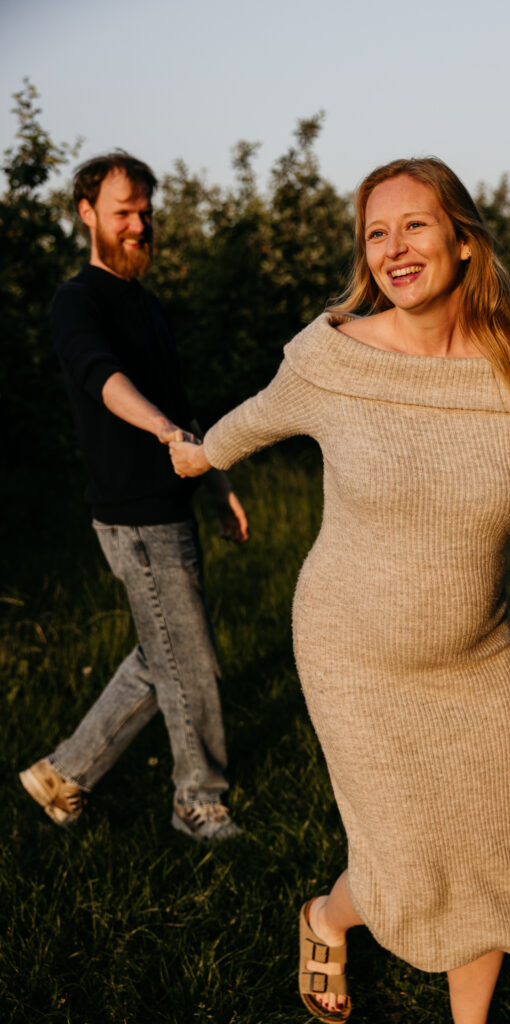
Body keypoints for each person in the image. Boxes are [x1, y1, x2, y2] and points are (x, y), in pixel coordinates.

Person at [169, 158, 510, 1021]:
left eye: (413, 225)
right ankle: (324, 916)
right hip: (351, 654)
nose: (392, 247)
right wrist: (199, 454)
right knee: (403, 862)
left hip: (475, 662)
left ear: (462, 241)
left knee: (490, 859)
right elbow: (254, 417)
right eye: (375, 233)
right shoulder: (331, 357)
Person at [19, 151, 248, 842]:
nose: (139, 226)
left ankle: (63, 775)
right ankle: (197, 801)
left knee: (166, 654)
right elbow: (102, 378)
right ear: (87, 214)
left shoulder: (146, 303)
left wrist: (216, 478)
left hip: (171, 498)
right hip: (131, 511)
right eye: (123, 213)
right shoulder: (76, 300)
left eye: (145, 213)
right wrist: (164, 430)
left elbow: (181, 401)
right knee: (190, 658)